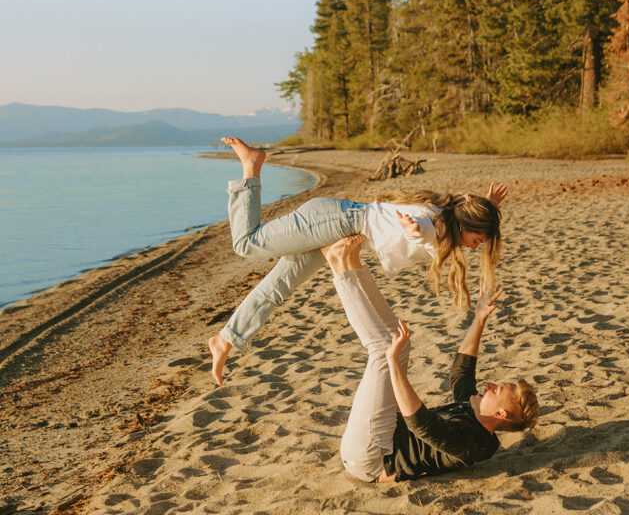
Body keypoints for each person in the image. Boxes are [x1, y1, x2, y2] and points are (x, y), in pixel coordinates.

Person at [208, 137, 506, 385]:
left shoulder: (443, 219)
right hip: (333, 220)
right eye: (476, 241)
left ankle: (226, 340)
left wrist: (488, 207)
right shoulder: (435, 224)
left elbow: (442, 229)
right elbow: (425, 232)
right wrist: (414, 232)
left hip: (337, 226)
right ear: (464, 226)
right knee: (246, 244)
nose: (472, 247)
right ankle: (251, 165)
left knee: (279, 285)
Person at [321, 234, 538, 482]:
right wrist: (479, 319)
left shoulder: (476, 445)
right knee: (398, 344)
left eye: (496, 390)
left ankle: (337, 266)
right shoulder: (472, 411)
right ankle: (353, 264)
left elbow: (421, 424)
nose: (489, 385)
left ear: (500, 414)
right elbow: (461, 374)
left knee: (383, 351)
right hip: (386, 432)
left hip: (373, 457)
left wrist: (393, 363)